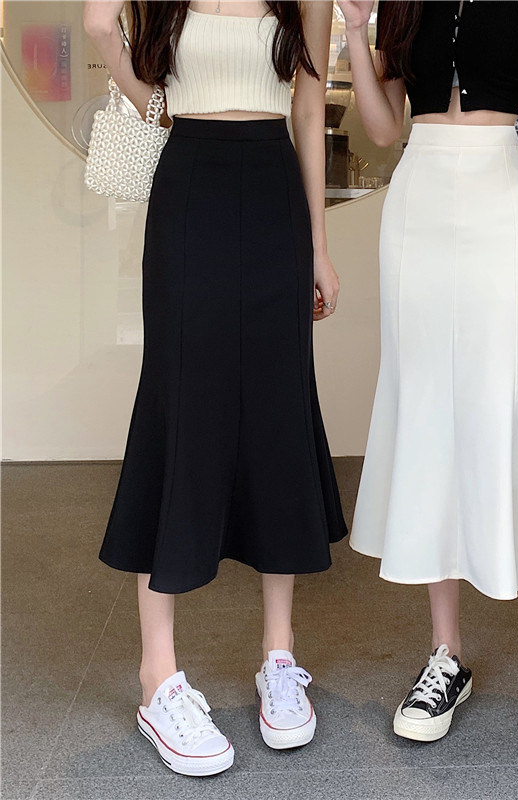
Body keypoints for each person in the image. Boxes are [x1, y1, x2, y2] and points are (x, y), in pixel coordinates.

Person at [339, 0, 518, 784]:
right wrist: (357, 31)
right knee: (431, 419)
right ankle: (446, 654)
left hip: (503, 198)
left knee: (513, 417)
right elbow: (383, 128)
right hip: (418, 204)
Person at [85, 0, 347, 776]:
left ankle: (279, 657)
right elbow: (137, 75)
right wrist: (105, 36)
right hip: (189, 184)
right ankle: (157, 675)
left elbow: (308, 112)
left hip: (274, 193)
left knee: (276, 413)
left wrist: (318, 245)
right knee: (177, 410)